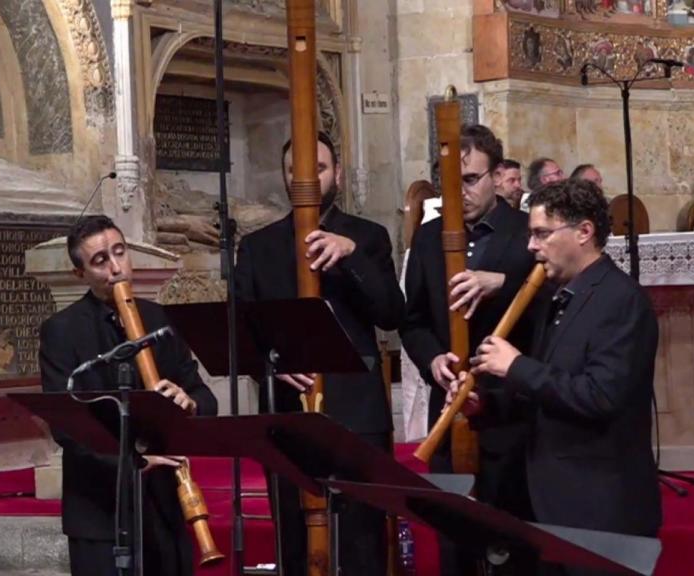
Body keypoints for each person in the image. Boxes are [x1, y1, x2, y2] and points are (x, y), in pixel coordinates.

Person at [457, 178, 661, 574]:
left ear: (584, 232)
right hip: (550, 502)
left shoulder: (621, 300)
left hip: (601, 509)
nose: (531, 246)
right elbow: (543, 394)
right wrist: (484, 405)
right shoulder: (556, 296)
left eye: (541, 234)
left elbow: (600, 396)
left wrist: (515, 366)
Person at [235, 131, 405, 576]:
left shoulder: (367, 237)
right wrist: (270, 365)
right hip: (288, 416)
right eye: (296, 171)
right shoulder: (257, 248)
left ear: (338, 173)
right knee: (295, 542)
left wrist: (351, 258)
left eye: (320, 169)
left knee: (361, 543)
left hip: (357, 415)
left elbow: (391, 313)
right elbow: (240, 334)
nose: (307, 178)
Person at [39, 215, 218, 576]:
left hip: (164, 505)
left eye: (120, 253)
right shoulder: (62, 331)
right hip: (99, 511)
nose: (116, 268)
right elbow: (67, 428)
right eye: (100, 261)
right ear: (80, 274)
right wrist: (134, 461)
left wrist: (189, 401)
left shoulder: (159, 319)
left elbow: (205, 398)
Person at [400, 125, 540, 574]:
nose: (460, 191)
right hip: (449, 404)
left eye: (471, 179)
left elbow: (554, 305)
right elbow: (413, 318)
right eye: (450, 182)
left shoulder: (525, 233)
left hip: (509, 412)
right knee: (453, 543)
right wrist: (432, 360)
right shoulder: (427, 237)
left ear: (498, 176)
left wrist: (500, 284)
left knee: (510, 539)